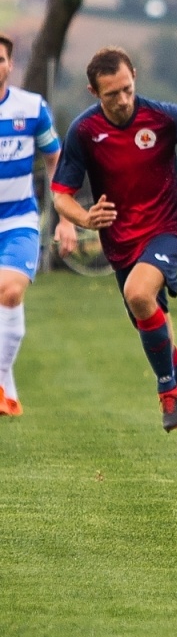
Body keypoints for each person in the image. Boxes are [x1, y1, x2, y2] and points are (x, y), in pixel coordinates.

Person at [50, 46, 177, 444]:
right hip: (122, 244)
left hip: (169, 229)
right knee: (156, 330)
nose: (123, 100)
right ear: (94, 92)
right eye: (112, 94)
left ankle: (168, 394)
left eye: (128, 89)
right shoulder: (83, 132)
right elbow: (61, 194)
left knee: (137, 293)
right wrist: (84, 219)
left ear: (135, 79)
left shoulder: (161, 116)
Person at [0, 34, 70, 415]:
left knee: (10, 292)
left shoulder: (30, 108)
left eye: (0, 58)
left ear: (10, 65)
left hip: (18, 219)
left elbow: (56, 160)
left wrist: (64, 217)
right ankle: (6, 385)